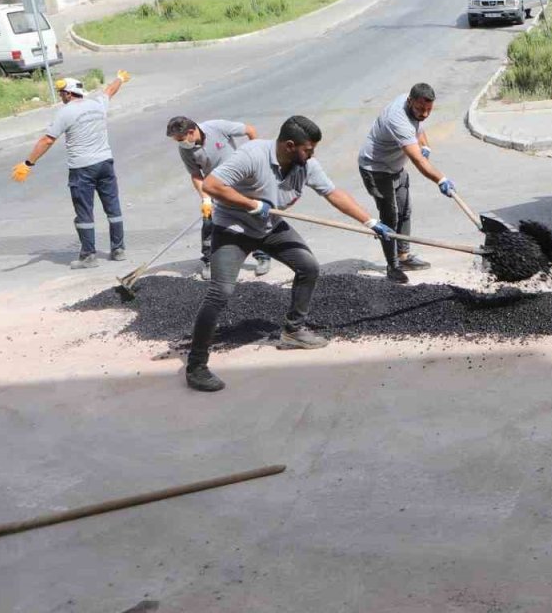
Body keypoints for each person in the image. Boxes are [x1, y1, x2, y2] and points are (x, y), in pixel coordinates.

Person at [185, 115, 395, 393]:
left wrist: (370, 222)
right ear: (289, 145)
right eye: (308, 149)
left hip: (269, 226)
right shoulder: (252, 155)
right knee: (220, 291)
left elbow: (333, 193)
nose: (312, 155)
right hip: (234, 228)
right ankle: (196, 366)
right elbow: (212, 186)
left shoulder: (305, 164)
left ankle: (293, 331)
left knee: (308, 267)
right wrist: (249, 204)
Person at [11, 71, 131, 269]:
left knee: (84, 213)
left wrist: (28, 163)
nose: (61, 97)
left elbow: (48, 139)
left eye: (61, 93)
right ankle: (118, 250)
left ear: (68, 93)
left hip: (82, 169)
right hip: (105, 163)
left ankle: (88, 256)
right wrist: (120, 78)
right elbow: (110, 90)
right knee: (113, 209)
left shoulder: (65, 112)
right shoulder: (97, 104)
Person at [357, 82, 457, 283]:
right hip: (376, 170)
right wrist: (441, 179)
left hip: (395, 167)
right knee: (390, 219)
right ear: (410, 102)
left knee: (404, 212)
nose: (425, 114)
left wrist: (425, 145)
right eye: (421, 109)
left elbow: (419, 127)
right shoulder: (398, 119)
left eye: (429, 110)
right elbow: (418, 161)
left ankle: (404, 256)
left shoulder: (414, 104)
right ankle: (392, 266)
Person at [166, 116, 272, 280]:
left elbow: (250, 130)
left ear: (191, 131)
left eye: (181, 139)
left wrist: (257, 156)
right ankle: (210, 261)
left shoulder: (217, 127)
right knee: (209, 221)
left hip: (240, 181)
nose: (180, 143)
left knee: (256, 215)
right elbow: (196, 174)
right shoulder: (185, 149)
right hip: (215, 187)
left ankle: (263, 255)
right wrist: (205, 198)